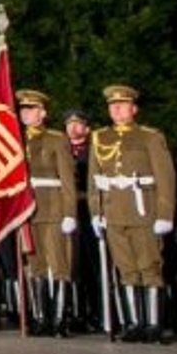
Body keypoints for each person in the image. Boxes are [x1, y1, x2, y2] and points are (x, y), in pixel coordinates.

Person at [90, 83, 176, 343]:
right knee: (125, 269)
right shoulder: (100, 137)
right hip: (114, 211)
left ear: (133, 108)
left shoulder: (150, 137)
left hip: (143, 210)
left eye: (121, 104)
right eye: (111, 105)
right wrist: (96, 211)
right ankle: (133, 322)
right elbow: (94, 179)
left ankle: (153, 324)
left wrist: (164, 213)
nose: (115, 108)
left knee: (149, 267)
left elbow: (165, 177)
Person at [17, 88, 79, 335]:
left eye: (31, 109)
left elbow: (66, 179)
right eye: (23, 109)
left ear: (43, 113)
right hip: (26, 211)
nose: (25, 113)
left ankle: (60, 318)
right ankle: (40, 316)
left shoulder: (56, 139)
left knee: (59, 263)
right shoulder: (16, 139)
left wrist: (69, 213)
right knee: (35, 264)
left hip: (52, 207)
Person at [65, 107, 101, 333]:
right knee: (72, 264)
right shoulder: (62, 149)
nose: (72, 128)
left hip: (88, 210)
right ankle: (76, 312)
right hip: (69, 211)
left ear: (87, 129)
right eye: (69, 124)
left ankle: (98, 312)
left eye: (78, 124)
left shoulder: (95, 150)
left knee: (93, 265)